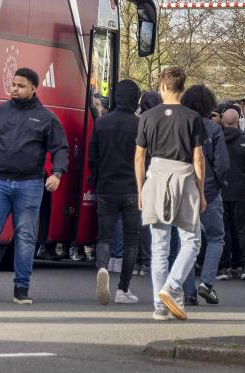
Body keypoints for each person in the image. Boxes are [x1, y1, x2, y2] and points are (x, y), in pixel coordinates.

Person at [0, 67, 69, 304]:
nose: (14, 88)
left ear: (34, 88)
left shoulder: (46, 117)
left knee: (25, 235)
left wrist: (57, 173)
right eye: (13, 84)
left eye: (20, 85)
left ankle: (21, 287)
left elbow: (60, 148)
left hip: (30, 184)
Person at [135, 67, 206, 321]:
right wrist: (201, 191)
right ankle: (172, 286)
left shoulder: (147, 117)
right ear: (182, 88)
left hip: (155, 176)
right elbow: (198, 158)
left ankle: (159, 305)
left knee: (159, 247)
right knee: (191, 241)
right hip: (184, 176)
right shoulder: (192, 117)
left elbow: (139, 157)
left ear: (162, 87)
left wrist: (141, 189)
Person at [88, 79, 142, 305]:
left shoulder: (101, 123)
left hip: (106, 188)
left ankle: (102, 268)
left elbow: (93, 158)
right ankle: (123, 289)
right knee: (131, 241)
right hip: (132, 189)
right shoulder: (141, 124)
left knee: (104, 236)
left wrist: (96, 179)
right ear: (136, 100)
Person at [180, 85, 229, 305]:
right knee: (216, 238)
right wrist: (219, 183)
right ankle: (207, 283)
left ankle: (188, 291)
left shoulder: (180, 126)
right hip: (209, 189)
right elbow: (222, 163)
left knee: (188, 241)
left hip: (184, 187)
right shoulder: (213, 129)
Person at [219, 109, 245, 282]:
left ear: (223, 121)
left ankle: (223, 266)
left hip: (221, 191)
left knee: (224, 230)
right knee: (244, 230)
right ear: (238, 121)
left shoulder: (217, 140)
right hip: (242, 192)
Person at [134, 91, 163, 277]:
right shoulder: (161, 122)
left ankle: (138, 260)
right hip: (157, 174)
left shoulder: (138, 121)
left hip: (140, 174)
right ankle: (147, 260)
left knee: (139, 221)